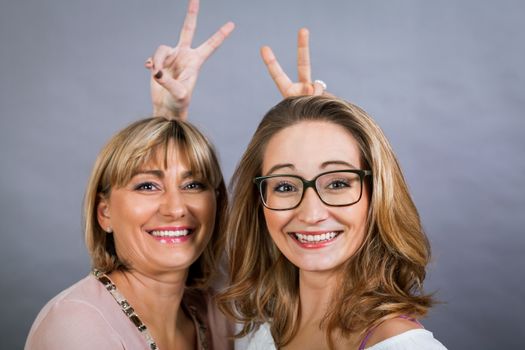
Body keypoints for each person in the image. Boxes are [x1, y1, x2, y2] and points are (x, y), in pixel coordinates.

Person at [25, 1, 235, 349]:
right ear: (104, 212)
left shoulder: (214, 307)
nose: (175, 207)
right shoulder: (77, 328)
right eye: (147, 185)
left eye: (193, 184)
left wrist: (170, 119)